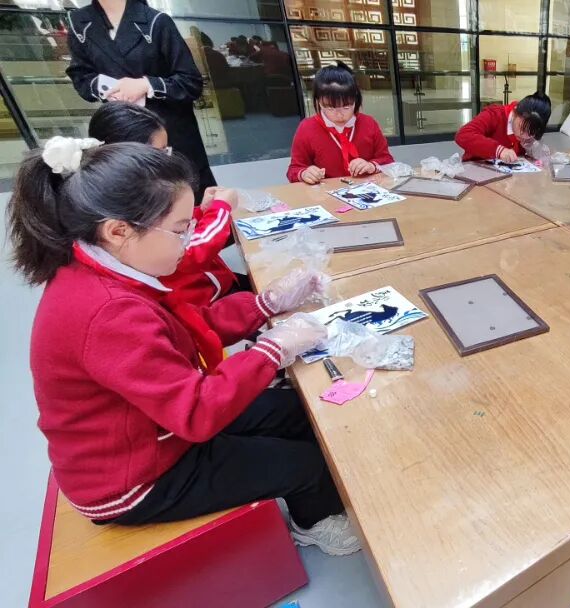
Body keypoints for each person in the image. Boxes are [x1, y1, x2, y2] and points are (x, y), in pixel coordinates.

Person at [8, 137, 359, 556]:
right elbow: (196, 413)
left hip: (156, 427)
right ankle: (313, 525)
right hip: (134, 478)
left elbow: (188, 327)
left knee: (297, 410)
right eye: (180, 230)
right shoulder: (108, 311)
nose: (190, 239)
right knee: (306, 465)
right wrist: (272, 349)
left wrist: (265, 303)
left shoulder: (105, 269)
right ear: (118, 231)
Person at [88, 101, 246, 303]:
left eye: (166, 150)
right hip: (200, 301)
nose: (166, 159)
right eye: (160, 151)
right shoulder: (127, 204)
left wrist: (202, 212)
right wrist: (221, 210)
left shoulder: (137, 186)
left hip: (211, 283)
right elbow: (188, 252)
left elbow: (173, 229)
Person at [65, 0, 217, 197]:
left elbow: (191, 82)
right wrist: (106, 87)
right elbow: (80, 75)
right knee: (134, 198)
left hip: (169, 126)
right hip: (121, 130)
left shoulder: (155, 21)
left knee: (185, 192)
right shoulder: (80, 23)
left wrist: (146, 85)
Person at [286, 62, 393, 184]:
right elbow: (293, 170)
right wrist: (304, 173)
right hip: (326, 192)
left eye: (346, 107)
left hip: (366, 189)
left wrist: (372, 166)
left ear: (355, 99)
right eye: (330, 108)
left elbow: (387, 160)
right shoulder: (307, 128)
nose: (339, 114)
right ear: (319, 102)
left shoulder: (368, 123)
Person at [455, 91, 551, 163]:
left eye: (531, 132)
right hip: (476, 169)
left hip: (506, 176)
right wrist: (498, 150)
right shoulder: (495, 115)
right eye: (522, 128)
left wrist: (533, 148)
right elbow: (463, 135)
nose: (524, 136)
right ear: (515, 112)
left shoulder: (528, 134)